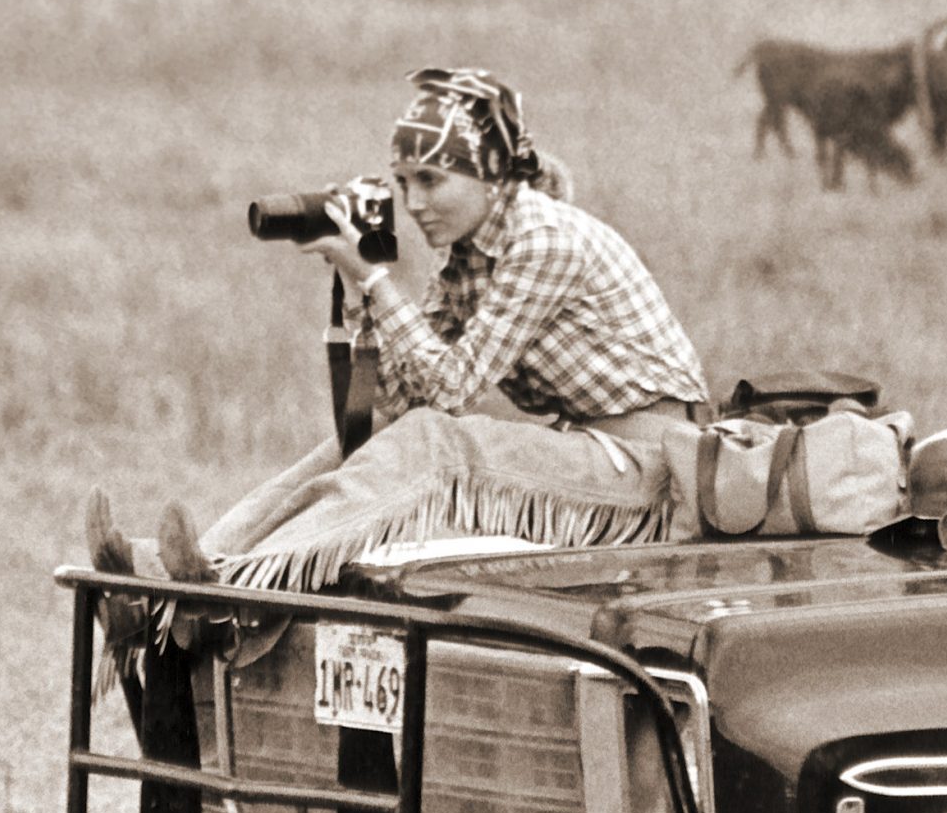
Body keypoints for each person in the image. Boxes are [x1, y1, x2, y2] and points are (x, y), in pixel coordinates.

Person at [89, 65, 711, 599]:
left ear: (492, 176)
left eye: (432, 180)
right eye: (404, 181)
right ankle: (188, 566)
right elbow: (393, 401)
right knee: (371, 436)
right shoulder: (470, 257)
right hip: (590, 451)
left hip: (651, 472)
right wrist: (362, 291)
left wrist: (372, 277)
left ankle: (237, 583)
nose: (413, 202)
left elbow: (451, 391)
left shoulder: (544, 240)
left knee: (439, 442)